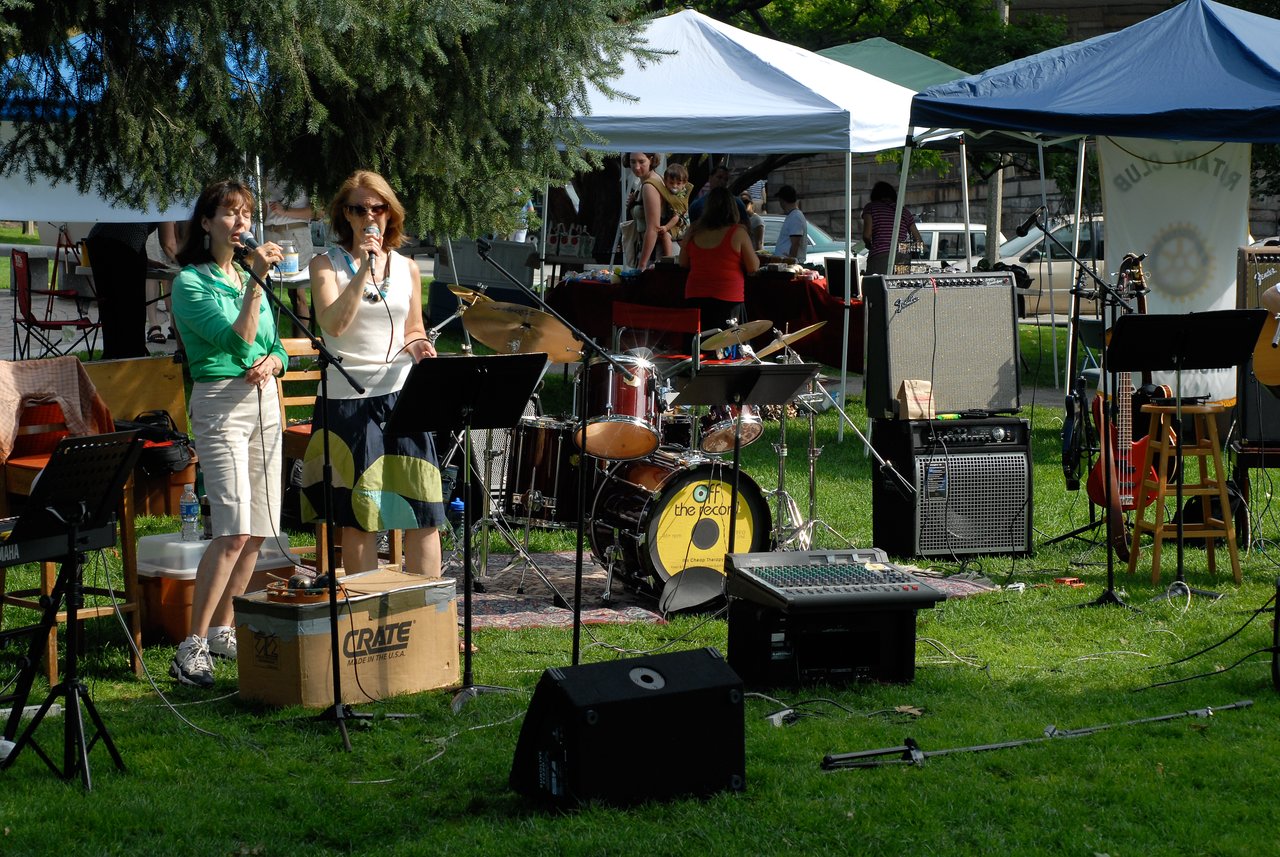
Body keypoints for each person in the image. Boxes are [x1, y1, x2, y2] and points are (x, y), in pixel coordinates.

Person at [168, 179, 288, 688]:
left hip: (264, 403)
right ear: (206, 223)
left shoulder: (245, 276)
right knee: (233, 527)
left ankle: (224, 630)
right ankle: (189, 646)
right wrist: (256, 281)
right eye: (230, 214)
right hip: (220, 403)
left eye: (246, 214)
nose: (242, 224)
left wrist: (275, 364)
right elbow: (234, 341)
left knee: (259, 527)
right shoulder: (191, 283)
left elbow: (277, 346)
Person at [300, 169, 446, 582]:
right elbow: (334, 325)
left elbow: (412, 327)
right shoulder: (325, 266)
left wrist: (419, 345)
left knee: (424, 509)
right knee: (360, 516)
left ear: (390, 213)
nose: (370, 216)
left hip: (402, 397)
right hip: (348, 401)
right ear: (344, 214)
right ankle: (364, 618)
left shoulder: (408, 268)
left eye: (378, 207)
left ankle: (424, 614)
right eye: (360, 208)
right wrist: (364, 268)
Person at [679, 186, 760, 331]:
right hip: (728, 298)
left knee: (696, 347)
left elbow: (683, 263)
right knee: (727, 350)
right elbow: (753, 267)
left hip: (695, 297)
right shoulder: (738, 232)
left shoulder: (694, 231)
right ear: (733, 208)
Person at [86, 221, 166, 358]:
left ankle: (112, 357)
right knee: (131, 311)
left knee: (109, 307)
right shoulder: (169, 201)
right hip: (126, 244)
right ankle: (131, 359)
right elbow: (169, 244)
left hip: (97, 239)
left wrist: (146, 261)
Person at [264, 176, 318, 333]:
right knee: (265, 290)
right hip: (269, 235)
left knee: (297, 293)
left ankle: (298, 353)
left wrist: (285, 210)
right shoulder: (264, 170)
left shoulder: (302, 169)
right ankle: (269, 342)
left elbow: (318, 212)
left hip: (294, 237)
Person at [862, 180, 923, 276]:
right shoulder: (904, 211)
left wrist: (869, 245)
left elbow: (867, 235)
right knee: (899, 288)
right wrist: (903, 248)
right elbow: (919, 240)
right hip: (903, 256)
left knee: (878, 288)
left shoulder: (871, 207)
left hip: (880, 256)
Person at [626, 151, 667, 269]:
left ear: (652, 160)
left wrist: (642, 265)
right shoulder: (646, 182)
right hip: (652, 252)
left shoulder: (649, 186)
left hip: (655, 254)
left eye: (641, 161)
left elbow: (653, 228)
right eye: (632, 162)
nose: (636, 167)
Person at [144, 221, 179, 344]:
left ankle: (174, 324)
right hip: (153, 217)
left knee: (174, 269)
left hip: (176, 216)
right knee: (153, 270)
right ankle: (153, 325)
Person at [656, 162, 691, 257]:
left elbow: (676, 217)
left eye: (678, 183)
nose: (674, 186)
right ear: (665, 182)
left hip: (680, 225)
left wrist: (666, 227)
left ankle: (668, 258)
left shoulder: (680, 198)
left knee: (666, 235)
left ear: (684, 184)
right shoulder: (669, 194)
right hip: (677, 226)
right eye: (671, 183)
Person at [772, 185, 807, 260]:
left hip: (788, 264)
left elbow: (795, 244)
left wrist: (790, 262)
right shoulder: (792, 215)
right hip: (784, 262)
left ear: (782, 200)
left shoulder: (796, 217)